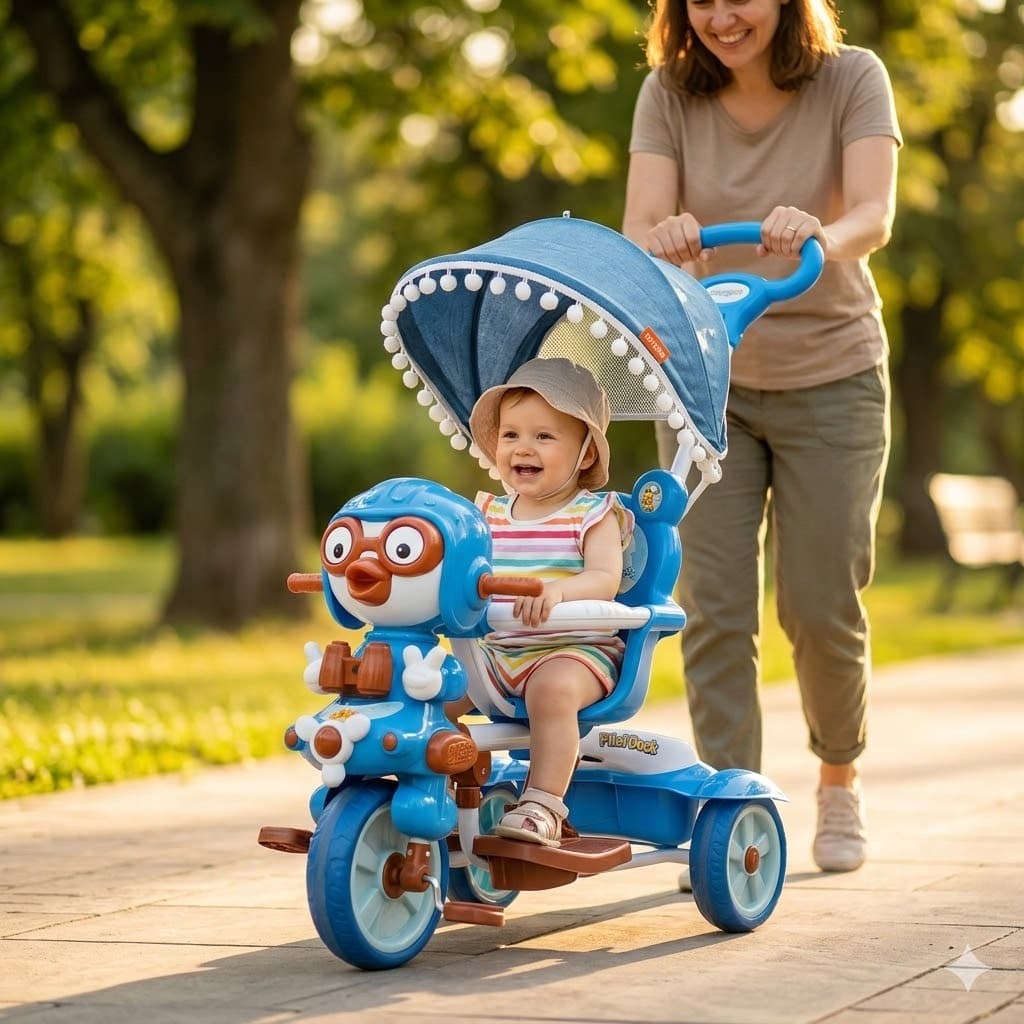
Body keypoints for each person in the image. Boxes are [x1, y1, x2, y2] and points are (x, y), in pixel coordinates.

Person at [622, 0, 900, 872]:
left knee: (819, 605)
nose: (719, 15)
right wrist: (666, 242)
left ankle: (838, 780)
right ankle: (733, 813)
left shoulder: (853, 78)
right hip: (711, 384)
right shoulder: (667, 93)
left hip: (834, 373)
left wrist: (820, 233)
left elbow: (874, 214)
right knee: (712, 608)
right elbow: (641, 231)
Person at [446, 357, 634, 847]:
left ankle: (542, 805)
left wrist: (558, 591)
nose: (522, 448)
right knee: (434, 692)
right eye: (510, 436)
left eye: (544, 437)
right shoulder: (484, 514)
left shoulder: (593, 514)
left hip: (574, 652)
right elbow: (463, 574)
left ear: (586, 453)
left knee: (550, 692)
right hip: (497, 651)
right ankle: (431, 787)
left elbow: (604, 578)